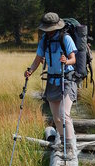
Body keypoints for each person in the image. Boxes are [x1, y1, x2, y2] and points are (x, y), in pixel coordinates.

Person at [24, 12, 77, 155]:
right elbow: (37, 60)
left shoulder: (65, 38)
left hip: (67, 80)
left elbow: (73, 59)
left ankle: (70, 147)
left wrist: (66, 61)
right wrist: (30, 71)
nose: (47, 31)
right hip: (52, 81)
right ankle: (63, 142)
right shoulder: (44, 41)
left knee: (64, 113)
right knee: (56, 117)